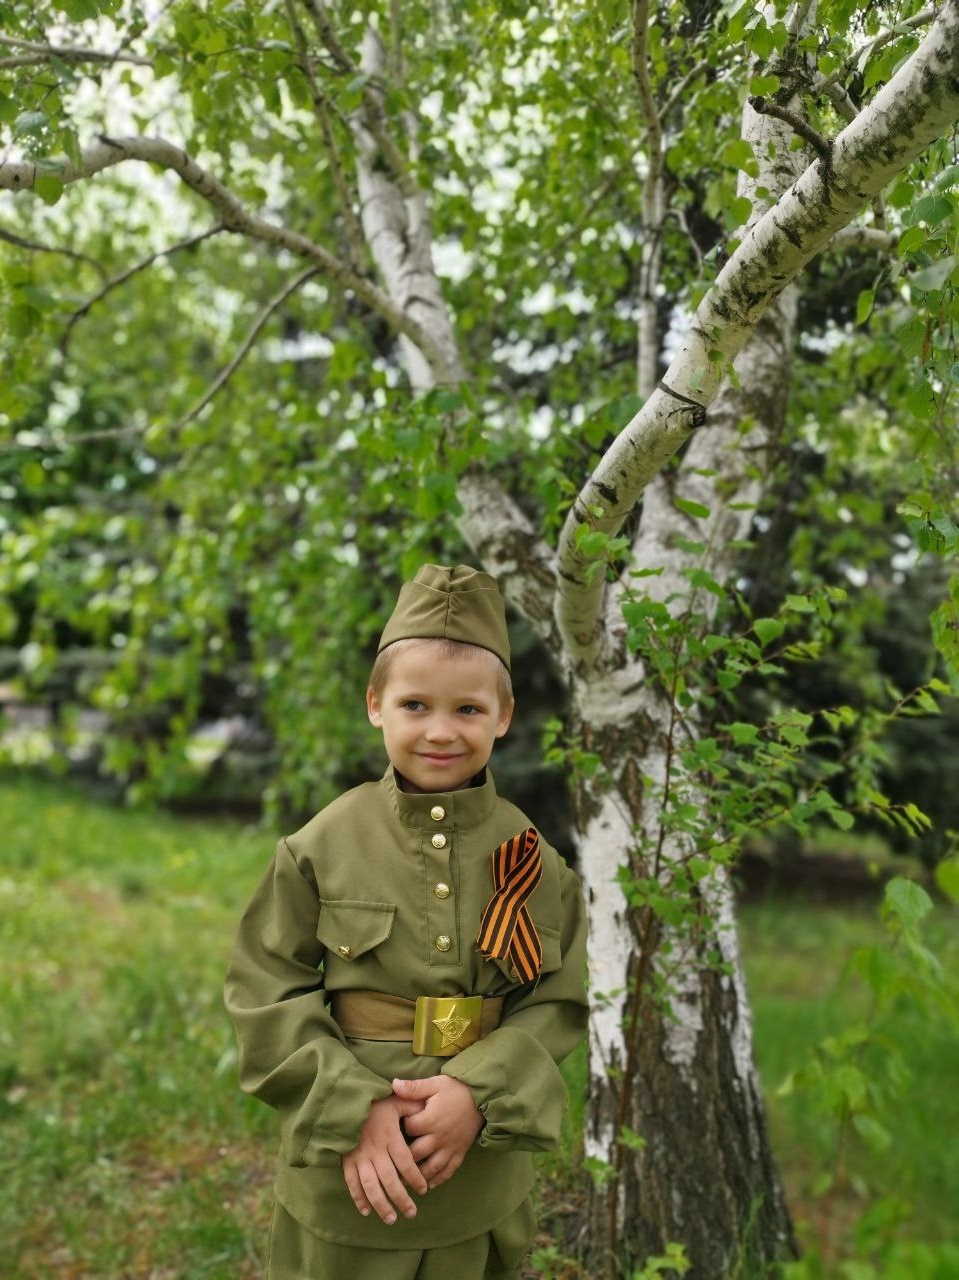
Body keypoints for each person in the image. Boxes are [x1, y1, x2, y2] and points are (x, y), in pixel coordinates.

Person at [224, 563, 589, 1279]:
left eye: (467, 710)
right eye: (415, 705)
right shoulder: (321, 846)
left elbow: (559, 997)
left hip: (473, 1174)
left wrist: (477, 1092)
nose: (440, 732)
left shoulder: (533, 860)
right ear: (375, 705)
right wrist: (350, 1108)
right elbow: (265, 989)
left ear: (503, 716)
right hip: (347, 1167)